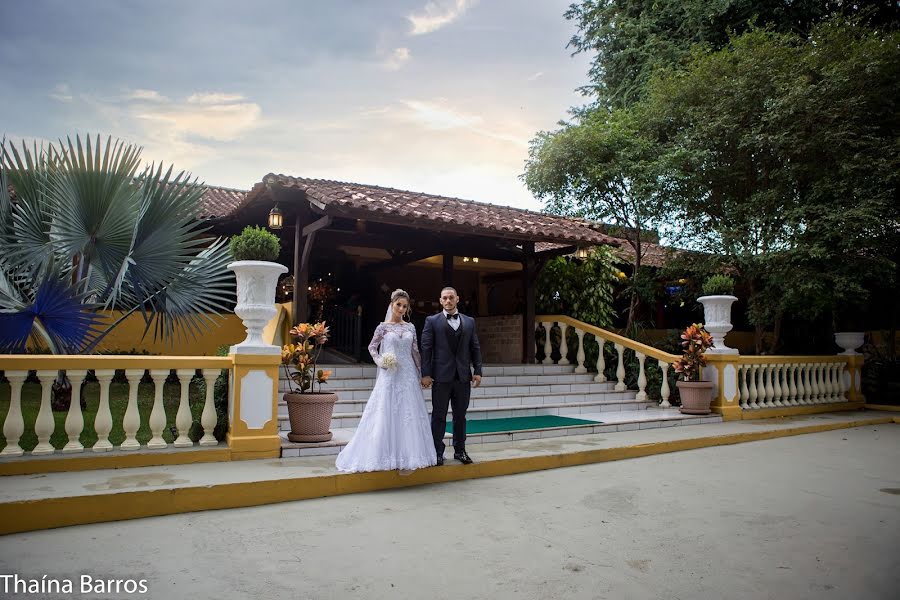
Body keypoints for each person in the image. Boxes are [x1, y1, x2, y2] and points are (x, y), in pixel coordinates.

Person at [335, 289, 437, 473]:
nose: (401, 308)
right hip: (389, 374)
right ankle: (383, 455)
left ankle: (408, 455)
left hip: (407, 375)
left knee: (408, 413)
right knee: (386, 411)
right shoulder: (382, 327)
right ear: (392, 304)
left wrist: (422, 372)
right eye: (398, 304)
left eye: (405, 306)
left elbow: (415, 352)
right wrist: (380, 361)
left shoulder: (410, 328)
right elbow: (372, 347)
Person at [420, 286, 483, 465]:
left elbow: (475, 347)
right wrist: (426, 374)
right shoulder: (431, 321)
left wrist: (477, 371)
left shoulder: (469, 322)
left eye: (451, 297)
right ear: (440, 301)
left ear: (457, 299)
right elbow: (426, 349)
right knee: (439, 416)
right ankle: (437, 452)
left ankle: (460, 450)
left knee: (460, 416)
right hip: (440, 377)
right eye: (444, 298)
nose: (448, 301)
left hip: (463, 377)